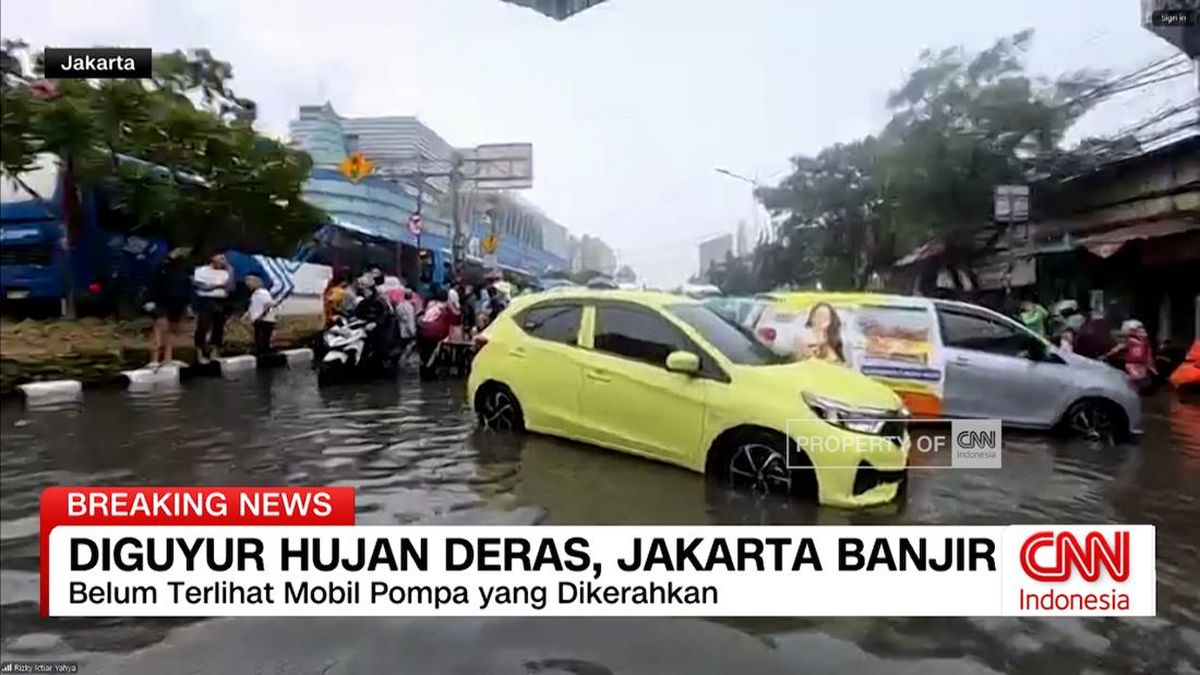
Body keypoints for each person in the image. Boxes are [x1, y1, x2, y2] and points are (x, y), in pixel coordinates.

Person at [145, 248, 191, 369]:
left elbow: (187, 286)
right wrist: (149, 300)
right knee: (160, 327)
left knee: (172, 329)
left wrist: (188, 304)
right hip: (161, 301)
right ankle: (154, 359)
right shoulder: (161, 267)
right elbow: (153, 283)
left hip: (177, 302)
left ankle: (168, 358)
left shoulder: (184, 268)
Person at [192, 252, 235, 364]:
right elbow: (201, 286)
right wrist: (218, 285)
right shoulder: (201, 271)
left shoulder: (226, 272)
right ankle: (200, 351)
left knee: (218, 325)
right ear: (213, 258)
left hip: (221, 300)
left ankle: (214, 350)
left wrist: (230, 271)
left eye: (224, 259)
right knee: (203, 324)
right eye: (220, 258)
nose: (223, 261)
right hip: (206, 300)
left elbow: (230, 287)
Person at [1104, 319, 1156, 392]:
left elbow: (1117, 349)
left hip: (1136, 367)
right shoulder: (1141, 341)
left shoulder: (1135, 341)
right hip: (1137, 366)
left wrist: (1107, 355)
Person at [243, 275, 277, 356]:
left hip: (264, 320)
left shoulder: (263, 292)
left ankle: (263, 356)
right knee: (260, 340)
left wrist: (261, 315)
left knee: (262, 340)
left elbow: (269, 304)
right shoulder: (255, 294)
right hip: (259, 319)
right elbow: (253, 306)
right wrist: (247, 315)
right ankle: (262, 354)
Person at [396, 289, 418, 358]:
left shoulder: (398, 306)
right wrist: (413, 333)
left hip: (400, 331)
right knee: (408, 352)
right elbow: (410, 321)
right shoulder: (410, 307)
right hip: (408, 333)